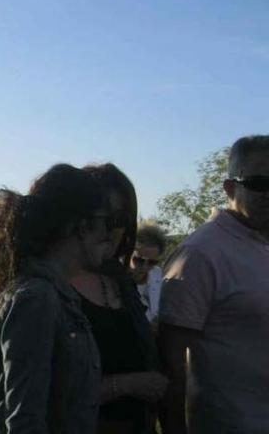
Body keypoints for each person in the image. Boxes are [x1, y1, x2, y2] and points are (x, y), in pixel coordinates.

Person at [0, 164, 110, 434]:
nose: (110, 235)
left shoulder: (52, 293)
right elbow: (25, 422)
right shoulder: (36, 299)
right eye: (107, 221)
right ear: (80, 226)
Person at [159, 135, 269, 434]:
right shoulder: (201, 254)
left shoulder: (261, 245)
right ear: (230, 188)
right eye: (260, 184)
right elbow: (171, 361)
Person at [71, 164, 166, 434]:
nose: (114, 230)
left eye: (122, 219)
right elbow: (43, 390)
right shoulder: (49, 290)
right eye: (106, 218)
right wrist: (125, 384)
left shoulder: (119, 280)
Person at [130, 223, 166, 327]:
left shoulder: (158, 275)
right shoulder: (114, 280)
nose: (145, 268)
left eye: (152, 262)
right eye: (139, 260)